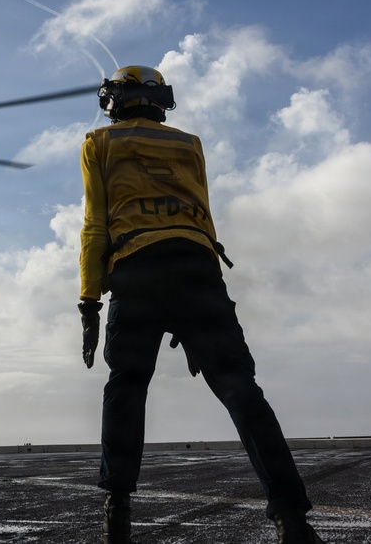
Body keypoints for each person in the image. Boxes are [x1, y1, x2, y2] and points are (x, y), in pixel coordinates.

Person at [77, 65, 325, 544]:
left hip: (138, 267)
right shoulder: (189, 144)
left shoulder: (98, 142)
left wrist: (89, 300)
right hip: (198, 268)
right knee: (239, 387)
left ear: (113, 99)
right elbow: (203, 215)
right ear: (160, 100)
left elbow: (95, 226)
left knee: (127, 386)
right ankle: (291, 516)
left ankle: (118, 514)